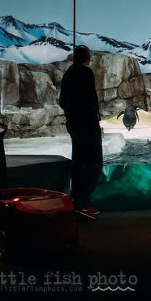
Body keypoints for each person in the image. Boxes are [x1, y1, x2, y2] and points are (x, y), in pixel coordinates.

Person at [58, 45, 103, 216]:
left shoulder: (68, 73)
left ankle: (75, 201)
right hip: (87, 123)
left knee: (78, 162)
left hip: (74, 124)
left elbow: (63, 100)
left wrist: (72, 113)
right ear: (86, 57)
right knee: (93, 162)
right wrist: (93, 115)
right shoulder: (85, 72)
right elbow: (90, 98)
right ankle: (82, 203)